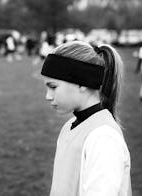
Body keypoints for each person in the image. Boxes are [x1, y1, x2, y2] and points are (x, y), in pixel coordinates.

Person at [41, 41, 132, 196]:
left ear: (82, 83)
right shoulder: (70, 126)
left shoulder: (103, 137)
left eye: (53, 87)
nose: (48, 96)